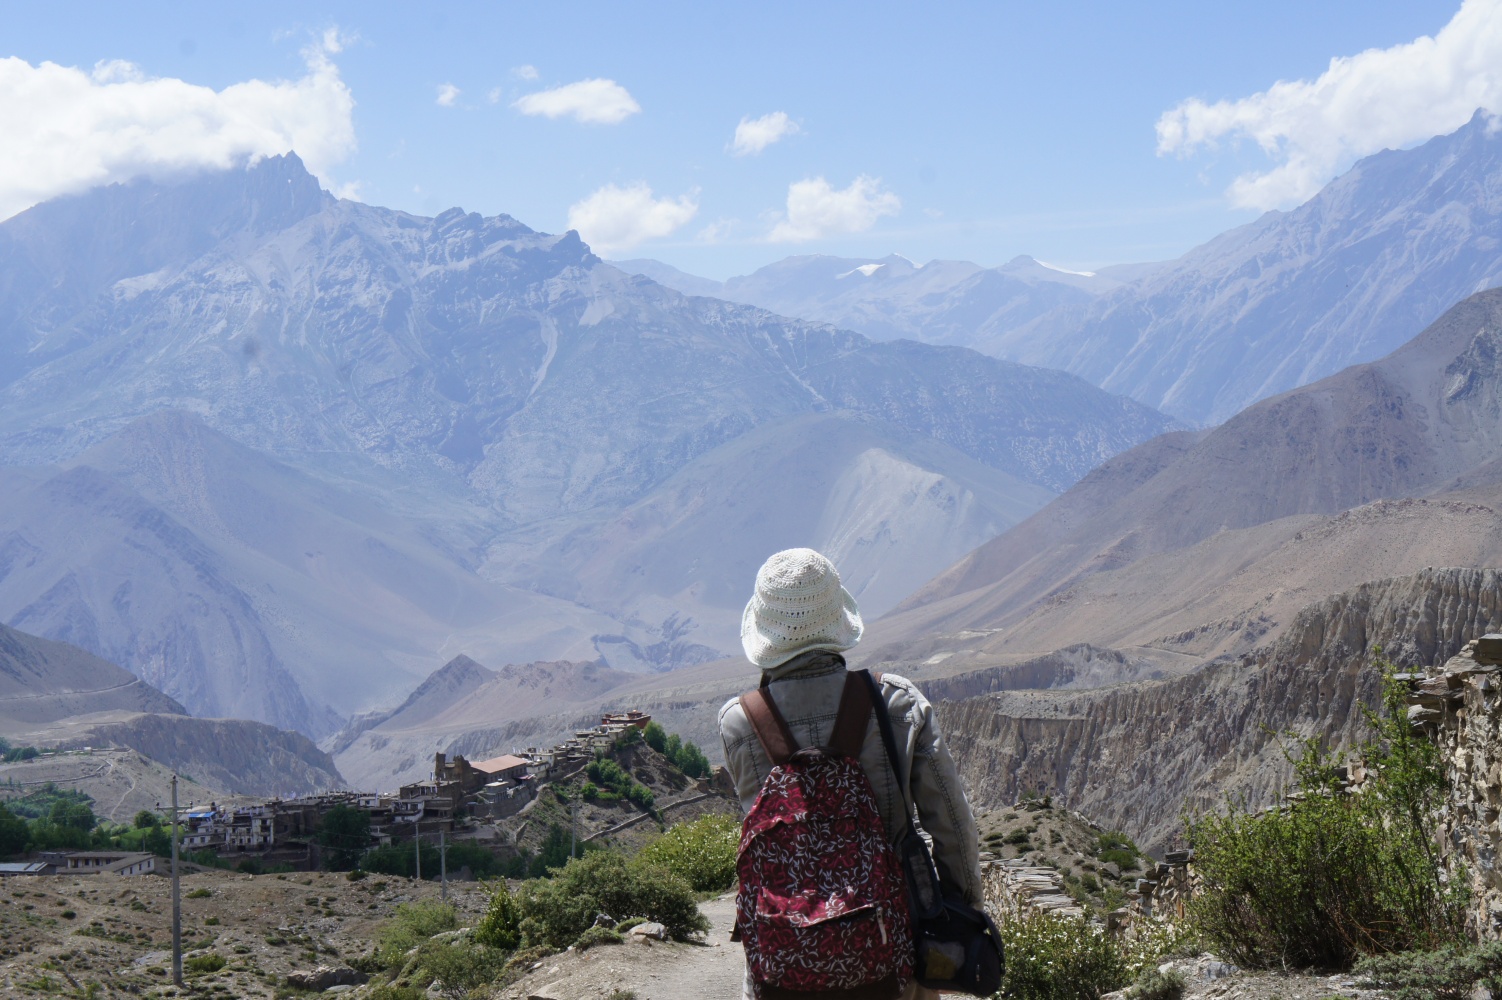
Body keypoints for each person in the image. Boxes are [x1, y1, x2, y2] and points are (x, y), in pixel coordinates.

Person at [719, 547, 984, 1000]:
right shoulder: (897, 703)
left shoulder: (739, 723)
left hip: (784, 966)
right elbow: (953, 828)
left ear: (765, 632)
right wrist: (958, 916)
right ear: (836, 620)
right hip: (891, 955)